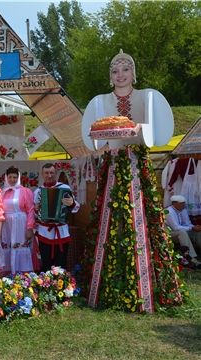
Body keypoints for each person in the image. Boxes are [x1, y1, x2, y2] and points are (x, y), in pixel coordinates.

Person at [82, 50, 183, 312]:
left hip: (138, 163)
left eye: (125, 69)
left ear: (133, 73)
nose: (120, 75)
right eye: (115, 71)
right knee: (110, 217)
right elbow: (93, 138)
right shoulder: (101, 101)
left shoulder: (147, 97)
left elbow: (158, 133)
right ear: (110, 76)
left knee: (142, 219)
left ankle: (147, 289)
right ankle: (105, 288)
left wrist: (140, 129)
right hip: (113, 164)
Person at [33, 163, 79, 271]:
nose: (49, 175)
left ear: (56, 173)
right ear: (42, 174)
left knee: (61, 263)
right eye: (47, 173)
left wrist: (71, 203)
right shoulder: (38, 191)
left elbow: (76, 207)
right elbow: (34, 214)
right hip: (44, 231)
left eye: (51, 173)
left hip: (61, 231)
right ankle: (47, 286)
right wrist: (36, 209)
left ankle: (61, 286)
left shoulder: (65, 188)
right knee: (46, 264)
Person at [0, 165, 38, 275]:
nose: (12, 180)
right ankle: (8, 275)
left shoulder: (25, 191)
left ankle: (22, 275)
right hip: (6, 225)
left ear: (18, 178)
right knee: (8, 247)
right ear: (6, 178)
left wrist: (30, 228)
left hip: (20, 224)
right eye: (10, 177)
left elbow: (30, 210)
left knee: (20, 247)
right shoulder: (3, 192)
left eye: (15, 177)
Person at [165, 195, 201, 269]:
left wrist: (194, 227)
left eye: (184, 203)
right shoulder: (169, 211)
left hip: (181, 230)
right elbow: (175, 227)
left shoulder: (183, 210)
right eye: (181, 203)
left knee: (198, 232)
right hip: (170, 233)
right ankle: (190, 258)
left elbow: (187, 223)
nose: (183, 205)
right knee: (182, 232)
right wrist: (192, 228)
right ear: (174, 204)